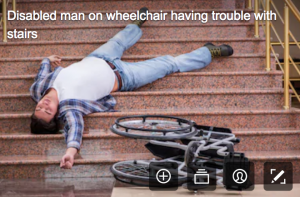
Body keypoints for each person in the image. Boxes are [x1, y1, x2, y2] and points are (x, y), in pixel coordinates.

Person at [29, 7, 233, 169]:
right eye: (48, 112)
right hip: (124, 76)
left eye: (39, 108)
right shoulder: (69, 107)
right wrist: (70, 153)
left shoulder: (38, 89)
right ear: (56, 115)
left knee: (119, 39)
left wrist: (47, 60)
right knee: (167, 64)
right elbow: (75, 129)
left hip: (97, 57)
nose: (45, 105)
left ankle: (135, 25)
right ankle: (208, 52)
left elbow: (41, 72)